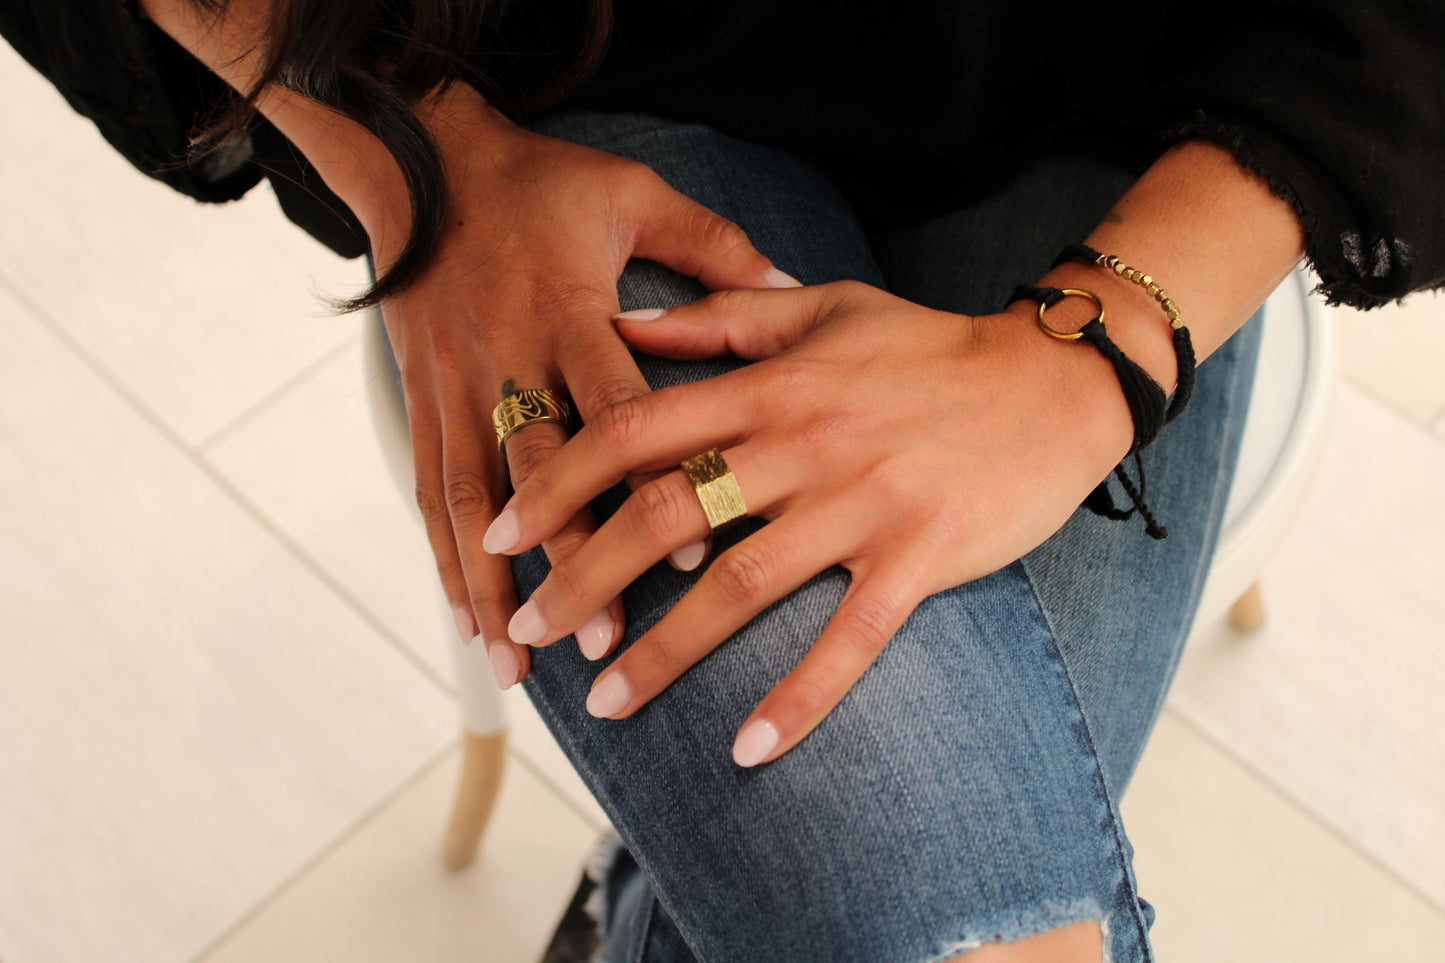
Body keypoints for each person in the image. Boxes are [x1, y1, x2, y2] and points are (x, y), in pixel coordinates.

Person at [3, 1, 1441, 960]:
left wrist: (1088, 354)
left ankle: (645, 899)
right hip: (552, 92)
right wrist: (415, 159)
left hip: (1111, 105)